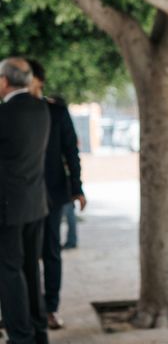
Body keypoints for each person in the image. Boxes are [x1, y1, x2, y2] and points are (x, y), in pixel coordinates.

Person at [27, 59, 86, 330]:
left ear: (38, 79)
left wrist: (77, 187)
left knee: (50, 252)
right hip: (21, 197)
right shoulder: (10, 112)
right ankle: (27, 308)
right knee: (23, 254)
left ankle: (50, 308)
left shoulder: (56, 111)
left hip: (52, 194)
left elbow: (70, 152)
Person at [0, 57, 50, 344]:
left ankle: (20, 337)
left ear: (5, 81)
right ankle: (38, 332)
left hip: (8, 208)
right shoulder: (42, 108)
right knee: (31, 270)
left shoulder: (5, 114)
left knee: (10, 273)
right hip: (35, 204)